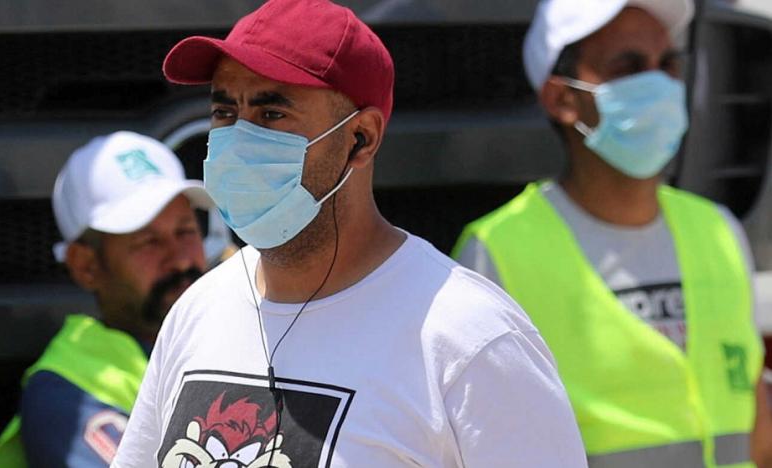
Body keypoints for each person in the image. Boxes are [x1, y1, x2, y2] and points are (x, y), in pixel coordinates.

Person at [112, 1, 588, 466]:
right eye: (224, 113)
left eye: (271, 115)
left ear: (361, 137)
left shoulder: (469, 341)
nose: (239, 140)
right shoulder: (199, 311)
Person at [453, 0, 772, 466]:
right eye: (629, 67)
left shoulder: (718, 230)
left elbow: (755, 424)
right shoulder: (494, 253)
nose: (659, 83)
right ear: (562, 99)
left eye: (667, 64)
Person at [0, 131, 217, 468]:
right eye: (148, 242)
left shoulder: (231, 337)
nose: (181, 260)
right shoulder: (66, 390)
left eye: (186, 231)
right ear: (86, 266)